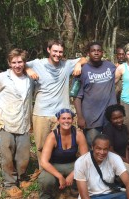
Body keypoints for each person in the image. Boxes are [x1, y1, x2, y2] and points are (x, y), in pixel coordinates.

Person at [25, 39, 86, 169]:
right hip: (42, 113)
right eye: (55, 51)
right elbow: (18, 63)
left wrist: (78, 65)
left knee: (63, 144)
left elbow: (84, 58)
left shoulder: (66, 64)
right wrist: (27, 69)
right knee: (41, 146)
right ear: (48, 50)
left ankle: (62, 171)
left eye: (60, 52)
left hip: (61, 113)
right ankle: (44, 173)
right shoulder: (37, 64)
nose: (58, 54)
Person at [0, 48, 33, 198]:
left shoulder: (29, 78)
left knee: (23, 156)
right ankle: (9, 184)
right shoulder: (2, 78)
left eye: (20, 62)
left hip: (23, 123)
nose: (17, 65)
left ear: (24, 63)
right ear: (9, 63)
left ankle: (22, 178)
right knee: (7, 156)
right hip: (5, 123)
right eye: (14, 62)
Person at [74, 42, 117, 148]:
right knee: (93, 147)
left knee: (108, 147)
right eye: (93, 51)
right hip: (91, 119)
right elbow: (77, 97)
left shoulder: (110, 66)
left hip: (109, 117)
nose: (96, 53)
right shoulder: (82, 71)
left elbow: (124, 69)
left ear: (102, 53)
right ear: (88, 53)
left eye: (99, 51)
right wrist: (80, 117)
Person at [38, 108, 88, 199]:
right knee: (46, 180)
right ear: (58, 120)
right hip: (55, 165)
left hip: (72, 164)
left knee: (86, 173)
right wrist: (60, 176)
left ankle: (78, 193)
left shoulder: (78, 135)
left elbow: (85, 159)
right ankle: (46, 196)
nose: (66, 121)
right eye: (63, 118)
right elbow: (44, 162)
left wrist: (73, 174)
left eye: (69, 118)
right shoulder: (52, 137)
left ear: (72, 120)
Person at [74, 134, 129, 199]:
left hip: (110, 194)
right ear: (92, 147)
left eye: (105, 149)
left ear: (109, 149)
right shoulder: (81, 162)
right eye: (98, 149)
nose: (102, 152)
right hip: (92, 196)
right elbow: (84, 195)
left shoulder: (115, 158)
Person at [102, 104, 129, 180]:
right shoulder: (108, 129)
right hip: (112, 161)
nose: (118, 120)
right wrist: (126, 161)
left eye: (120, 117)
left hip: (122, 160)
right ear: (110, 119)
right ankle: (115, 181)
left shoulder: (124, 128)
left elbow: (125, 146)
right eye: (115, 118)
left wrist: (127, 160)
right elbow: (110, 151)